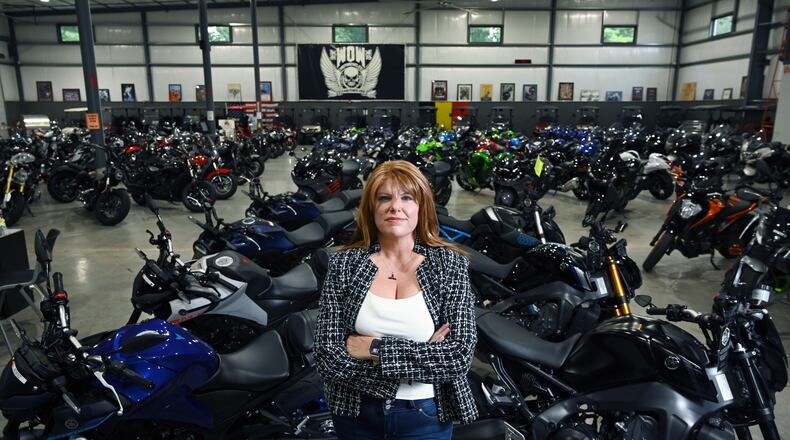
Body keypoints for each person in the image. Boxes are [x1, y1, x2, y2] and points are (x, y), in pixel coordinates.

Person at [315, 160, 477, 439]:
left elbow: (458, 357)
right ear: (371, 208)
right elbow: (327, 355)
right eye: (384, 198)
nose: (395, 207)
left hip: (425, 414)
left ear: (421, 207)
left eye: (407, 197)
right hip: (356, 413)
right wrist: (421, 357)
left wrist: (375, 348)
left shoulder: (449, 265)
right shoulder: (345, 264)